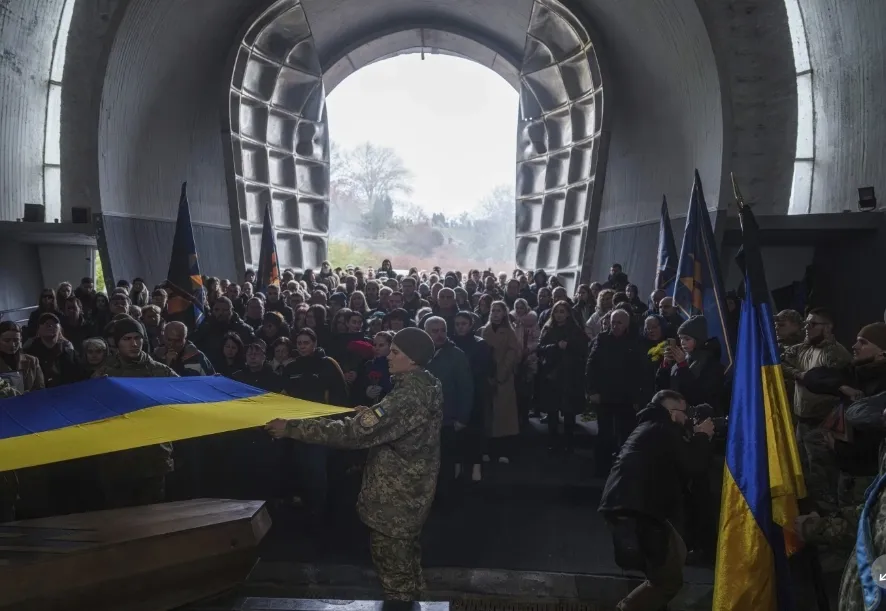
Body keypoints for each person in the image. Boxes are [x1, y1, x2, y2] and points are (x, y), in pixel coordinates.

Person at [266, 327, 443, 601]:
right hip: (412, 494)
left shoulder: (406, 397)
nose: (388, 357)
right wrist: (371, 415)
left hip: (394, 502)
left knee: (396, 580)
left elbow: (351, 434)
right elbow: (395, 423)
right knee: (408, 568)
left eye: (396, 352)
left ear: (414, 360)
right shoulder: (427, 384)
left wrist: (291, 428)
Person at [599, 390, 714, 611]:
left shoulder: (651, 427)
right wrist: (701, 436)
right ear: (672, 412)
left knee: (667, 565)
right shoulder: (664, 430)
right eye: (684, 412)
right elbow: (693, 465)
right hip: (640, 512)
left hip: (633, 508)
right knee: (667, 581)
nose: (688, 417)